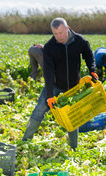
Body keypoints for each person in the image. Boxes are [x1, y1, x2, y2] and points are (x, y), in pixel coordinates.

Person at [22, 18, 97, 150]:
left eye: (61, 33)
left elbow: (88, 54)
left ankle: (74, 148)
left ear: (67, 29)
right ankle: (25, 141)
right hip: (55, 85)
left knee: (72, 116)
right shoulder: (50, 46)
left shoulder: (79, 41)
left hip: (73, 87)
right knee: (39, 109)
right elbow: (48, 72)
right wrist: (50, 95)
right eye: (55, 34)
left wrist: (92, 70)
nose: (59, 37)